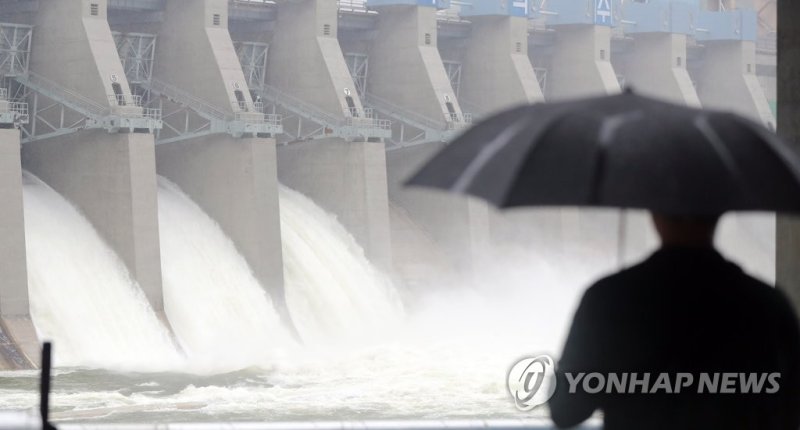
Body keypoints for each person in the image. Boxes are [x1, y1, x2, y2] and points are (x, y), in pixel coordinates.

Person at [548, 213, 800, 429]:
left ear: (654, 215)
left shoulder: (608, 299)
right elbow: (790, 411)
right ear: (718, 213)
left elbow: (565, 411)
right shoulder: (767, 305)